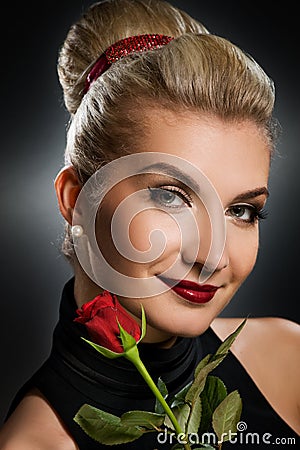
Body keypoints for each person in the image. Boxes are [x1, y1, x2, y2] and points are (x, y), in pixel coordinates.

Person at [0, 0, 299, 448]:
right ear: (78, 200)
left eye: (242, 211)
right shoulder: (35, 443)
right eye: (169, 196)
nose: (213, 257)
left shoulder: (288, 358)